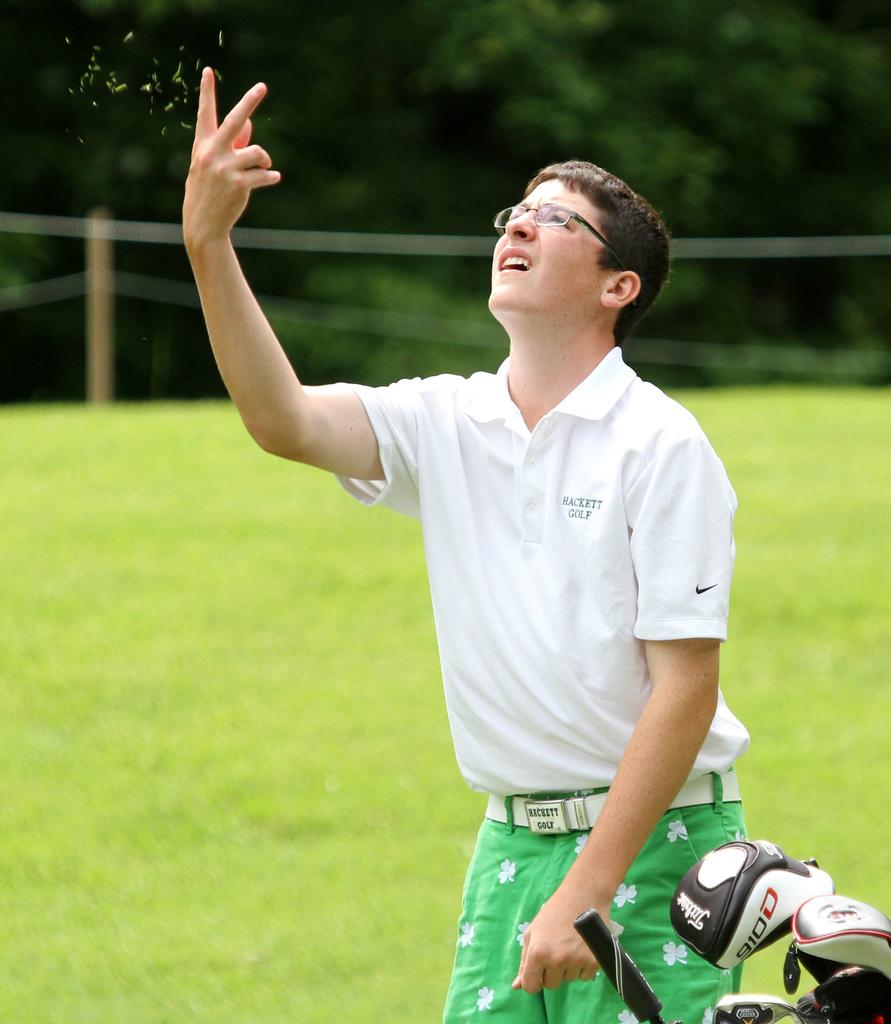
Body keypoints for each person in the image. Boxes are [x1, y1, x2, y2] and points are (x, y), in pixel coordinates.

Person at [183, 68, 751, 1023]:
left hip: (660, 848)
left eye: (555, 220)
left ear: (620, 286)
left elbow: (685, 687)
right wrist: (208, 244)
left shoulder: (660, 443)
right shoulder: (442, 419)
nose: (516, 228)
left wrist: (586, 891)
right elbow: (280, 419)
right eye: (515, 212)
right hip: (509, 847)